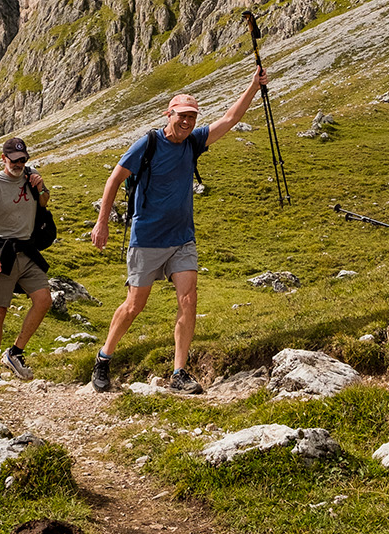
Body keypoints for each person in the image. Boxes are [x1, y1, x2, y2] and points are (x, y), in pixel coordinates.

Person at [88, 66, 268, 394]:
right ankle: (104, 357)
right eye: (182, 116)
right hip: (147, 238)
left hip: (182, 238)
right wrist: (102, 222)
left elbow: (229, 119)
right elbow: (115, 178)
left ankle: (179, 372)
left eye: (192, 117)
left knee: (189, 299)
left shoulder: (193, 142)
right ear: (168, 114)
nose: (187, 122)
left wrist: (253, 86)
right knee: (134, 305)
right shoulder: (149, 143)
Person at [0, 136, 53, 390]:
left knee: (44, 300)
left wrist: (41, 188)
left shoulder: (31, 176)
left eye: (23, 159)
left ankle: (15, 352)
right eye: (15, 160)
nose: (19, 164)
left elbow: (43, 203)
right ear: (3, 159)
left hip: (27, 250)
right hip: (0, 250)